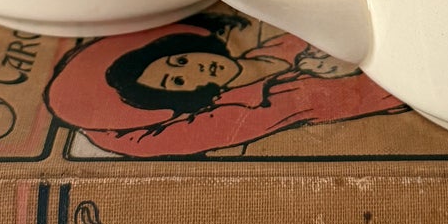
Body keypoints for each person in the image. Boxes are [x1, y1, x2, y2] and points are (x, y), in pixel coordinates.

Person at [44, 12, 403, 158]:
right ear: (186, 97)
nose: (198, 69)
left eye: (180, 60)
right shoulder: (271, 100)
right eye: (180, 81)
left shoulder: (252, 34)